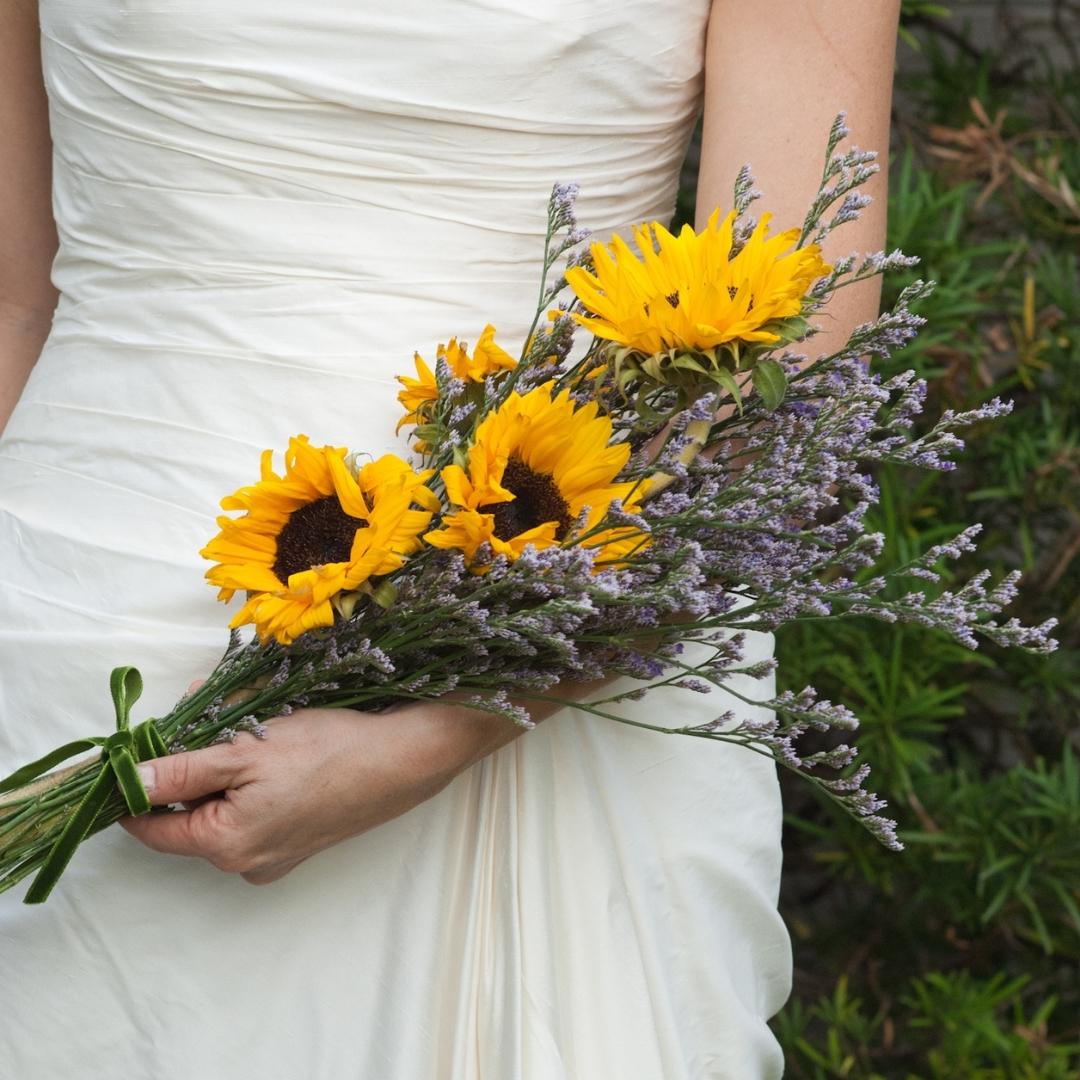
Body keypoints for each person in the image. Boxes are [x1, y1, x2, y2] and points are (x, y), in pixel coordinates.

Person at [0, 1, 901, 1076]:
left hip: (559, 665)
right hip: (71, 627)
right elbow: (16, 306)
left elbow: (795, 378)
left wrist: (445, 731)